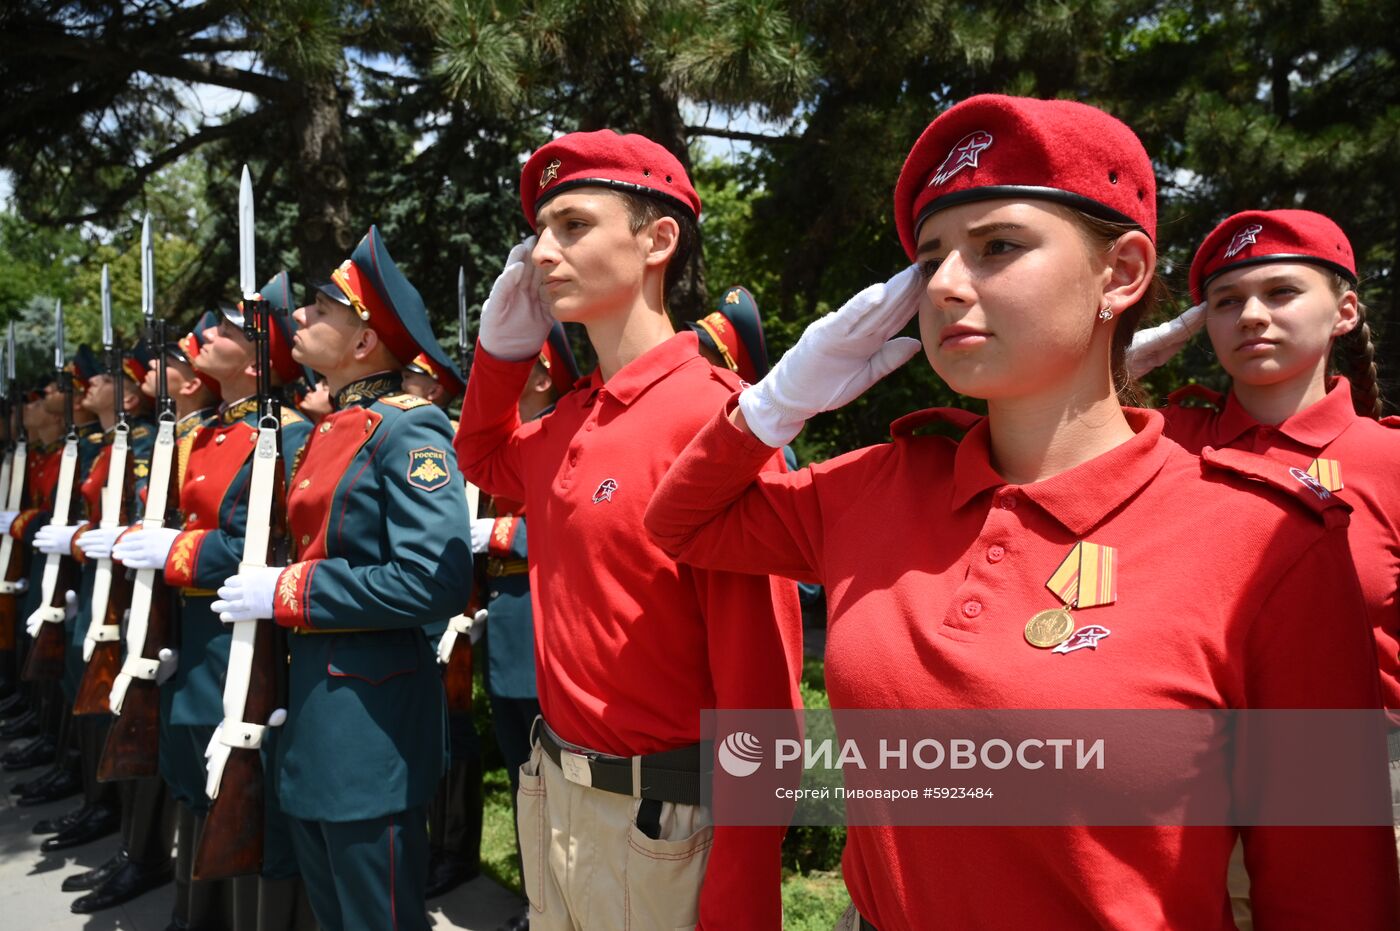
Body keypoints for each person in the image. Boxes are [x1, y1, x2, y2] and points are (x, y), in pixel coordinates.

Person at [643, 93, 1400, 929]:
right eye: (930, 261)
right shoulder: (879, 485)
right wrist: (776, 403)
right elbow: (683, 522)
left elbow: (1330, 891)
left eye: (998, 246)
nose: (949, 285)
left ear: (1121, 273)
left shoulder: (1268, 543)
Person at [455, 129, 804, 930]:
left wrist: (742, 899)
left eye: (573, 225)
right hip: (557, 797)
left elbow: (763, 702)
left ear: (658, 239)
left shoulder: (716, 423)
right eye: (540, 232)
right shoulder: (576, 417)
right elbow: (480, 454)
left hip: (665, 827)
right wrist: (500, 352)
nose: (542, 254)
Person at [1131, 208, 1400, 926]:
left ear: (1345, 310)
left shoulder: (1392, 462)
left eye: (1281, 292)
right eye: (1226, 301)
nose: (1251, 315)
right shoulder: (1157, 445)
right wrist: (1098, 372)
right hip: (1175, 784)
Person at [212, 227, 473, 931]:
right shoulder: (336, 427)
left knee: (377, 917)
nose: (299, 316)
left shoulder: (408, 433)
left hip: (370, 729)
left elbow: (432, 580)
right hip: (315, 713)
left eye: (321, 310)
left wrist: (290, 592)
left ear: (363, 344)